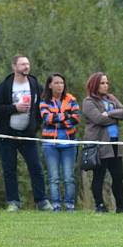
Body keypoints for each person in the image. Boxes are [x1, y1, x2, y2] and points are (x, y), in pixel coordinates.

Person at [0, 55, 52, 211]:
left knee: (36, 167)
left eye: (28, 64)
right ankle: (13, 202)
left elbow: (44, 104)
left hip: (28, 134)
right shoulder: (5, 86)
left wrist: (37, 125)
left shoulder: (34, 84)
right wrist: (14, 108)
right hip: (7, 135)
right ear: (14, 67)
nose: (26, 67)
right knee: (9, 169)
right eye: (22, 64)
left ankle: (42, 201)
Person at [82, 72, 123, 213]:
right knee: (99, 176)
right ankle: (100, 205)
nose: (105, 85)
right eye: (102, 83)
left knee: (118, 176)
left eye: (107, 83)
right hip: (100, 145)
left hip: (115, 143)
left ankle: (121, 206)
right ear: (95, 84)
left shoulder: (111, 98)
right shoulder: (88, 101)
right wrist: (116, 116)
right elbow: (98, 119)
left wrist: (109, 114)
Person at [39, 73, 80, 212]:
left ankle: (70, 205)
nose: (59, 86)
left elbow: (75, 119)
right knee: (54, 177)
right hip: (50, 143)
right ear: (50, 85)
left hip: (69, 142)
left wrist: (58, 119)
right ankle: (56, 205)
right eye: (56, 83)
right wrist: (65, 116)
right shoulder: (44, 101)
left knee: (68, 177)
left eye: (61, 83)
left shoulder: (71, 99)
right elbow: (46, 118)